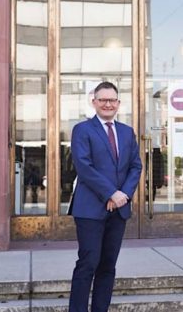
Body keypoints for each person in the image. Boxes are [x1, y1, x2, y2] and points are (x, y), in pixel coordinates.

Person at [68, 81, 142, 312]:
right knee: (88, 264)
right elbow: (84, 167)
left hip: (119, 209)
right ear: (94, 102)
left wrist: (124, 195)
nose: (108, 104)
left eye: (112, 100)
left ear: (118, 103)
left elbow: (135, 167)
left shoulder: (127, 132)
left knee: (108, 266)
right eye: (103, 100)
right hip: (90, 209)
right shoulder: (82, 130)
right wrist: (111, 192)